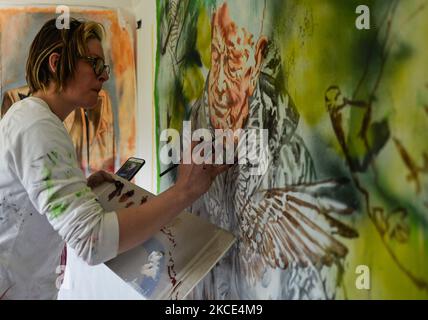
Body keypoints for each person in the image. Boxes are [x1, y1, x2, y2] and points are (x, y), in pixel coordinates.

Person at [0, 18, 229, 299]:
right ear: (57, 63)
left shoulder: (28, 118)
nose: (103, 76)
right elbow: (92, 241)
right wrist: (184, 191)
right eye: (94, 63)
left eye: (103, 67)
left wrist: (79, 190)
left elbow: (25, 207)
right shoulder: (37, 125)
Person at [188, 3, 356, 299]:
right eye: (217, 56)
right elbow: (189, 235)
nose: (221, 83)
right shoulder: (196, 125)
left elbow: (308, 273)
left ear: (256, 59)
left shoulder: (286, 149)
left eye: (235, 62)